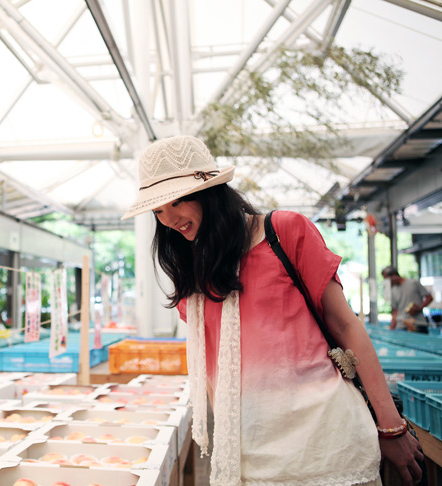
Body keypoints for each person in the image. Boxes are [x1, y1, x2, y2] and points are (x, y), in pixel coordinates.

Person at [121, 135, 423, 486]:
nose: (169, 218)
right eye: (158, 211)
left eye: (176, 202)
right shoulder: (192, 276)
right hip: (249, 461)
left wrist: (391, 428)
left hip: (327, 448)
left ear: (210, 193)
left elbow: (346, 326)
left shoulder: (285, 232)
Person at [382, 266, 433, 333]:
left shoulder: (413, 283)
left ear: (394, 275)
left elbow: (429, 297)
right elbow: (395, 311)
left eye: (387, 279)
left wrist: (419, 309)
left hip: (418, 323)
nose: (387, 282)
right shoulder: (393, 290)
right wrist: (391, 327)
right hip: (401, 326)